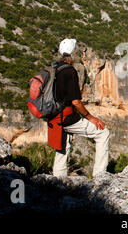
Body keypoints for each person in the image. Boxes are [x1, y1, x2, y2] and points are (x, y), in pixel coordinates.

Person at [52, 38, 110, 177]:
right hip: (66, 118)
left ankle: (58, 180)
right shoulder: (69, 71)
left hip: (52, 117)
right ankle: (99, 176)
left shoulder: (54, 68)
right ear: (73, 53)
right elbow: (76, 102)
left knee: (63, 145)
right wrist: (91, 118)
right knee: (103, 133)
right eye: (77, 50)